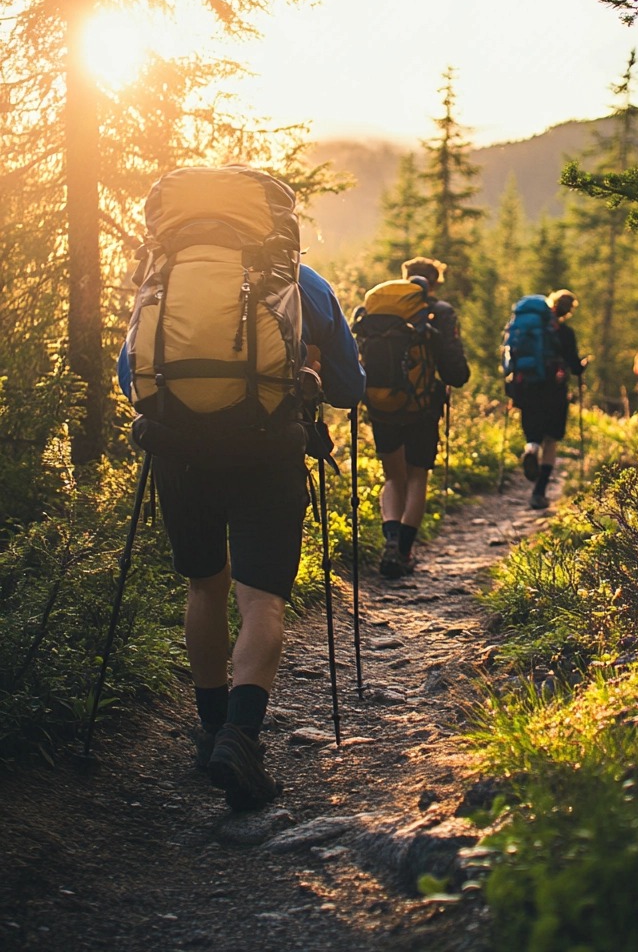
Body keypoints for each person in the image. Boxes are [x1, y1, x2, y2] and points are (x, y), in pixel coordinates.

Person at [117, 262, 364, 810]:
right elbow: (350, 388)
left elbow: (126, 374)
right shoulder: (303, 281)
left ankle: (211, 730)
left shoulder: (166, 273)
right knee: (263, 601)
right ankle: (241, 736)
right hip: (267, 453)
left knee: (204, 586)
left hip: (178, 454)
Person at [362, 256, 470, 579]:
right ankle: (405, 551)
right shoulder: (440, 311)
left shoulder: (380, 309)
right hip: (422, 407)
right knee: (416, 475)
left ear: (404, 277)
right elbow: (455, 372)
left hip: (381, 403)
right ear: (433, 283)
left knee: (393, 477)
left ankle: (391, 540)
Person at [518, 289, 585, 510]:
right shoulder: (565, 332)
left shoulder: (529, 329)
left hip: (528, 387)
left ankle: (530, 450)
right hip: (554, 389)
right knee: (551, 439)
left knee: (534, 432)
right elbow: (574, 366)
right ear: (569, 311)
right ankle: (538, 492)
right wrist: (581, 365)